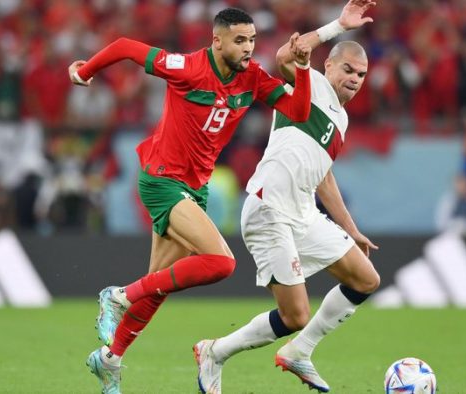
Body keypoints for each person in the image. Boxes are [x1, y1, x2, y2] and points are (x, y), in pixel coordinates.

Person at [67, 8, 313, 393]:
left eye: (251, 39)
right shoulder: (187, 68)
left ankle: (110, 359)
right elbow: (127, 47)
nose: (248, 48)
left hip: (194, 188)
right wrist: (86, 71)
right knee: (221, 262)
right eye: (239, 40)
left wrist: (302, 69)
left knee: (159, 285)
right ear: (217, 41)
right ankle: (117, 296)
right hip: (162, 180)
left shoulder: (253, 78)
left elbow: (298, 111)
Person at [193, 1, 379, 393]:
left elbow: (323, 177)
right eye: (348, 69)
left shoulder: (340, 120)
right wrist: (337, 26)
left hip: (303, 214)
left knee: (365, 278)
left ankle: (300, 352)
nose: (355, 79)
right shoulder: (306, 85)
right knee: (295, 314)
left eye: (361, 74)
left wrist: (352, 229)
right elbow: (285, 55)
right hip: (269, 209)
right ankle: (215, 351)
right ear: (329, 66)